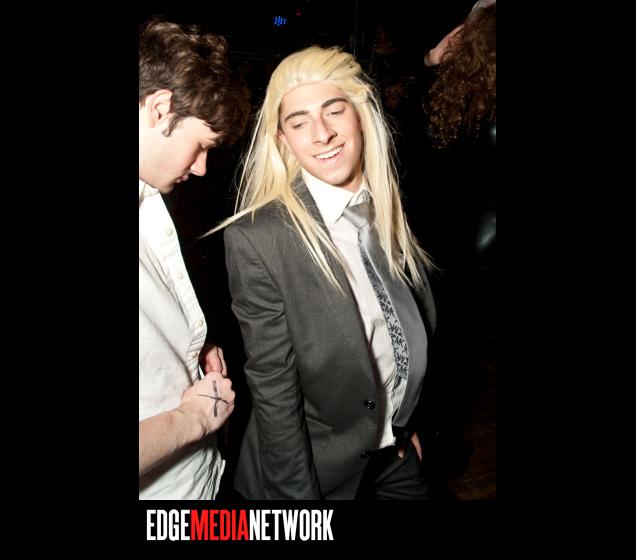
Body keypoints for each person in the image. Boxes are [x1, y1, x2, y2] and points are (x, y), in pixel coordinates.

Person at [212, 45, 437, 499]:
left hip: (393, 452)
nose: (322, 134)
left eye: (334, 111)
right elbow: (275, 390)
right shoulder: (259, 238)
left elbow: (397, 333)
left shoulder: (385, 206)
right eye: (299, 123)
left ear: (360, 115)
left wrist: (404, 421)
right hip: (316, 472)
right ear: (283, 139)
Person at [138, 18, 250, 500]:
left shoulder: (151, 200)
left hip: (197, 482)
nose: (202, 167)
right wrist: (192, 420)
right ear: (160, 108)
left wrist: (192, 343)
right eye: (200, 146)